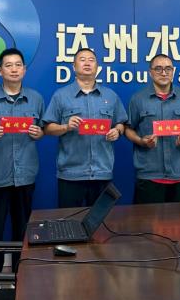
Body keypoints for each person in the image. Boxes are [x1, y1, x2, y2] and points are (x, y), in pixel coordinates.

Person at [0, 48, 44, 272]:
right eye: (9, 65)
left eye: (18, 65)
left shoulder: (36, 98)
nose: (14, 69)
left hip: (25, 175)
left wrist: (38, 133)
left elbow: (43, 129)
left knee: (22, 229)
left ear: (24, 69)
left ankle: (20, 275)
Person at [43, 48, 128, 207]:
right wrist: (66, 127)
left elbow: (121, 123)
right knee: (69, 220)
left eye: (91, 60)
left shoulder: (110, 96)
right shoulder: (61, 95)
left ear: (97, 67)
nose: (87, 63)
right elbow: (47, 128)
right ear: (74, 66)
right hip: (70, 174)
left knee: (99, 220)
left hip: (102, 172)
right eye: (82, 59)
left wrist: (117, 131)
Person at [125, 54, 180, 203]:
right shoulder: (138, 99)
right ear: (150, 72)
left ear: (173, 71)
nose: (164, 73)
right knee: (145, 219)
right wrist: (141, 141)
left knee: (179, 218)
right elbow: (128, 129)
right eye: (158, 69)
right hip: (148, 174)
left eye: (168, 69)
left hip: (178, 173)